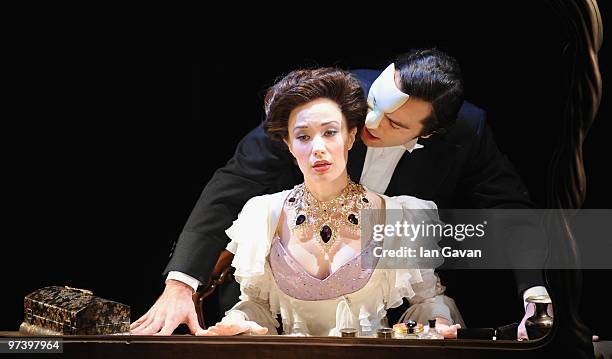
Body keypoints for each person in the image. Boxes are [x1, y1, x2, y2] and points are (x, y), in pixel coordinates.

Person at [130, 49, 549, 339]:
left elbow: (509, 210)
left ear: (431, 132)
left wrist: (535, 296)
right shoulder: (326, 105)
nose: (370, 123)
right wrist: (182, 283)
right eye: (373, 105)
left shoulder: (458, 143)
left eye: (396, 125)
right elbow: (231, 185)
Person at [198, 67, 462, 337]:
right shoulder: (264, 215)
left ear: (350, 136)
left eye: (330, 132)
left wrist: (437, 323)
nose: (318, 148)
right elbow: (256, 304)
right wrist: (241, 320)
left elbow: (427, 301)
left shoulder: (398, 215)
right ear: (289, 144)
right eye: (303, 137)